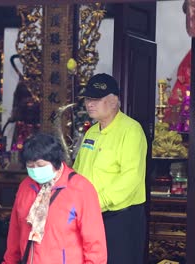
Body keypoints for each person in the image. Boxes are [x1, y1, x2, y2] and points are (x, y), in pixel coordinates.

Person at [73, 73, 148, 264]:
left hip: (120, 218)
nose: (90, 104)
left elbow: (131, 177)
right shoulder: (91, 131)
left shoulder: (131, 130)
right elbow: (78, 169)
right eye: (88, 99)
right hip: (90, 214)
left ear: (114, 101)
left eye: (96, 99)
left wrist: (97, 201)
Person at [2, 133, 107, 264]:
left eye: (40, 165)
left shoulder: (81, 189)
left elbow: (95, 244)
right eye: (30, 165)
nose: (35, 170)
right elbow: (15, 233)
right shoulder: (25, 186)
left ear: (56, 162)